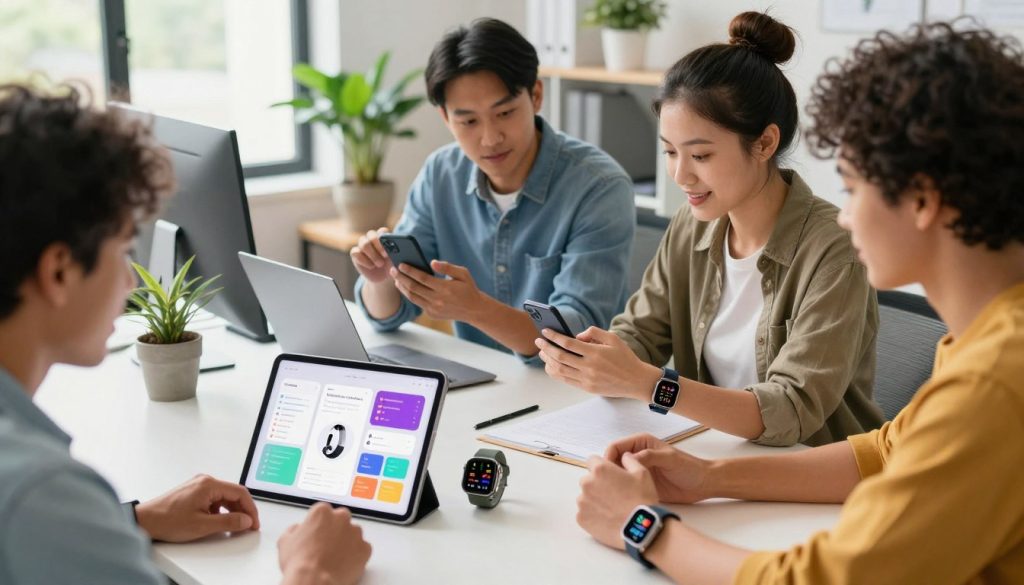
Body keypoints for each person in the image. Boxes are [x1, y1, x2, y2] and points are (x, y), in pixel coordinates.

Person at [575, 19, 1024, 584]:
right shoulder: (983, 341)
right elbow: (886, 452)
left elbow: (830, 578)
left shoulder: (995, 379)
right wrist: (710, 477)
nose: (847, 213)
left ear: (923, 200)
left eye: (854, 186)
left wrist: (643, 528)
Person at [0, 84, 371, 585]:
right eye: (124, 249)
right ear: (60, 272)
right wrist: (312, 570)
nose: (132, 280)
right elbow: (33, 517)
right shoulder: (38, 493)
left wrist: (128, 520)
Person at [537, 12, 884, 446]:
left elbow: (791, 409)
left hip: (809, 476)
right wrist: (597, 359)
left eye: (700, 156)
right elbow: (640, 333)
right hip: (714, 454)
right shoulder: (692, 225)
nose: (680, 176)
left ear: (764, 143)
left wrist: (649, 384)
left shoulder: (834, 251)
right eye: (669, 152)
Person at [351, 18, 635, 364]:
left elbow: (574, 335)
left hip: (572, 390)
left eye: (504, 112)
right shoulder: (441, 173)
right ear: (445, 117)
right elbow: (390, 315)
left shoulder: (599, 187)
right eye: (468, 121)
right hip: (488, 385)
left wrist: (476, 309)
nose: (490, 138)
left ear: (536, 96)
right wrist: (382, 279)